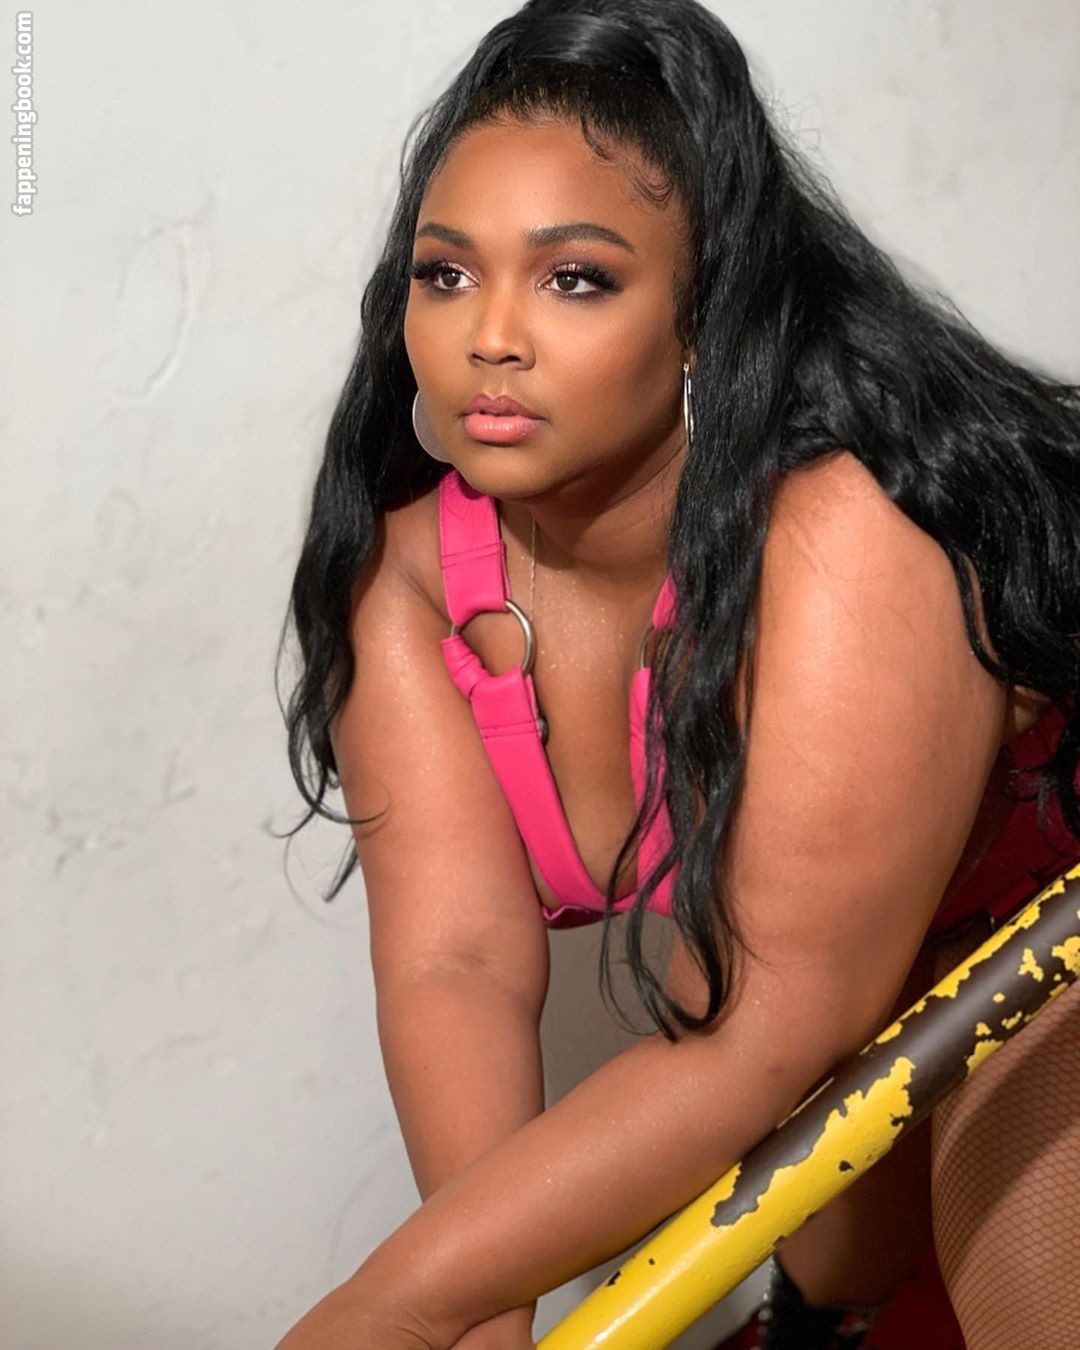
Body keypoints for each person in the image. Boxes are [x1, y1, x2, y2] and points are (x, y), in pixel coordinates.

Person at [273, 3, 1080, 1347]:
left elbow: (774, 1017)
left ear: (703, 316)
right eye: (447, 274)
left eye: (575, 279)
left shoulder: (845, 527)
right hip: (865, 1001)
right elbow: (458, 968)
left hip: (1049, 935)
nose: (491, 336)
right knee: (831, 1283)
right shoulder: (410, 581)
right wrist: (470, 1324)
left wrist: (394, 1302)